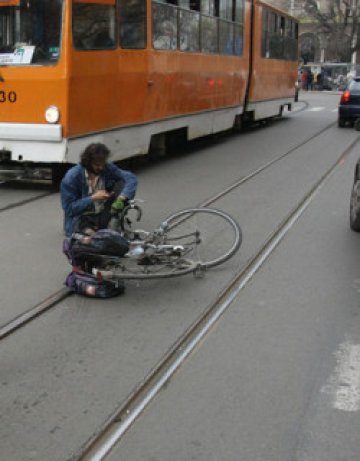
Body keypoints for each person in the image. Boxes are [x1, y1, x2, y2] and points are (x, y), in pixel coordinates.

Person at [60, 143, 138, 237]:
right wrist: (92, 198)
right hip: (83, 217)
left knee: (122, 183)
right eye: (97, 165)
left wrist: (122, 197)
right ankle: (91, 230)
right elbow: (69, 209)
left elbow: (131, 178)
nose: (101, 168)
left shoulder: (107, 167)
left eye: (103, 164)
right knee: (93, 239)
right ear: (88, 162)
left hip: (102, 211)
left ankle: (113, 219)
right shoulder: (71, 178)